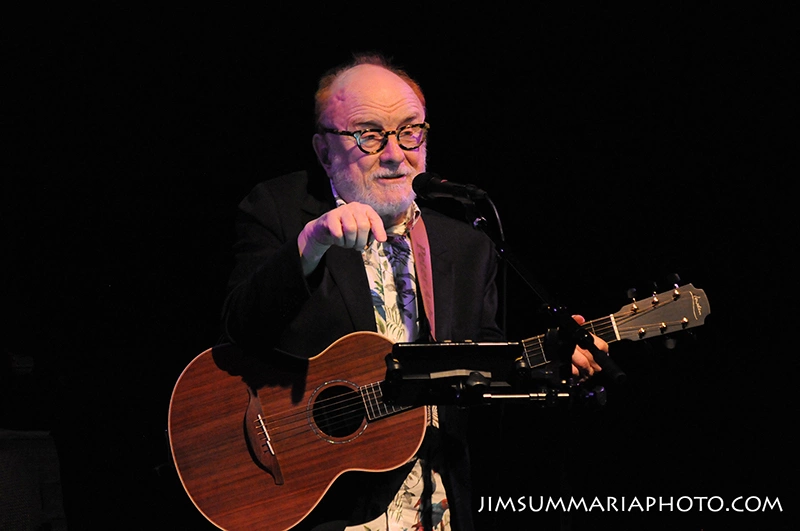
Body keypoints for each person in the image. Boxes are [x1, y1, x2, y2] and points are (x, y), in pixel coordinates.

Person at [221, 53, 606, 531]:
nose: (394, 153)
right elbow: (242, 327)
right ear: (324, 151)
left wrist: (546, 364)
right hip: (317, 504)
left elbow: (481, 372)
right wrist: (310, 244)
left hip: (436, 507)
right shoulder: (280, 210)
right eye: (369, 133)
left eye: (410, 131)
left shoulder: (467, 246)